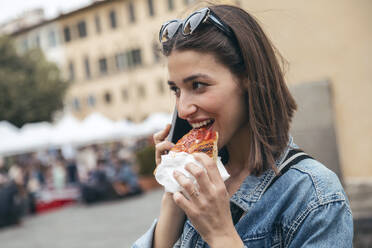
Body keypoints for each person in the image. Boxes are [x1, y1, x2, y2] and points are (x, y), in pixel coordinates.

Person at [133, 4, 353, 248]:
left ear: (248, 77)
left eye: (197, 85)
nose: (183, 109)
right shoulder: (198, 178)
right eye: (175, 89)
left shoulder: (315, 196)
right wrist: (173, 194)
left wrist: (221, 235)